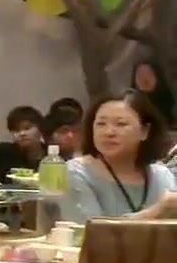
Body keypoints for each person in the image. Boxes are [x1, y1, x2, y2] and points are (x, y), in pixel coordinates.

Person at [63, 91, 177, 222]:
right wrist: (155, 211)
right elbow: (89, 230)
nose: (109, 132)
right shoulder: (76, 172)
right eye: (101, 124)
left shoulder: (161, 175)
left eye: (121, 124)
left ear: (145, 131)